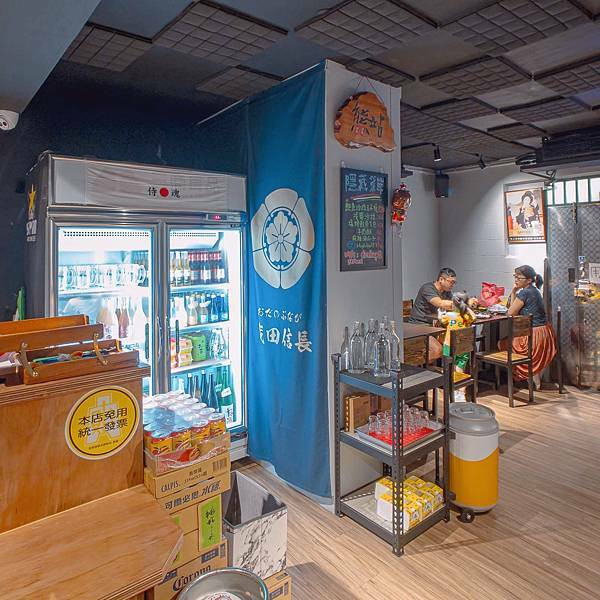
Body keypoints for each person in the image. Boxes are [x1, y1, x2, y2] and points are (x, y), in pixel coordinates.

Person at [499, 265, 556, 387]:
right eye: (515, 277)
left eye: (519, 277)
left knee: (502, 343)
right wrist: (514, 291)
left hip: (533, 337)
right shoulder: (535, 291)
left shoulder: (525, 292)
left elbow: (510, 313)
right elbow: (514, 309)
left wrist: (514, 292)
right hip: (545, 335)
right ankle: (534, 377)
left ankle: (524, 377)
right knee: (509, 340)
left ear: (529, 280)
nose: (516, 280)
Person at [409, 268, 458, 360]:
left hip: (434, 327)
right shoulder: (427, 288)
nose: (452, 285)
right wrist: (463, 304)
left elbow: (452, 306)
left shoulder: (447, 292)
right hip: (419, 326)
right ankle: (419, 366)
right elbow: (440, 303)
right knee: (437, 350)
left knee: (457, 343)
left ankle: (449, 368)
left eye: (454, 282)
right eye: (451, 282)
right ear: (441, 279)